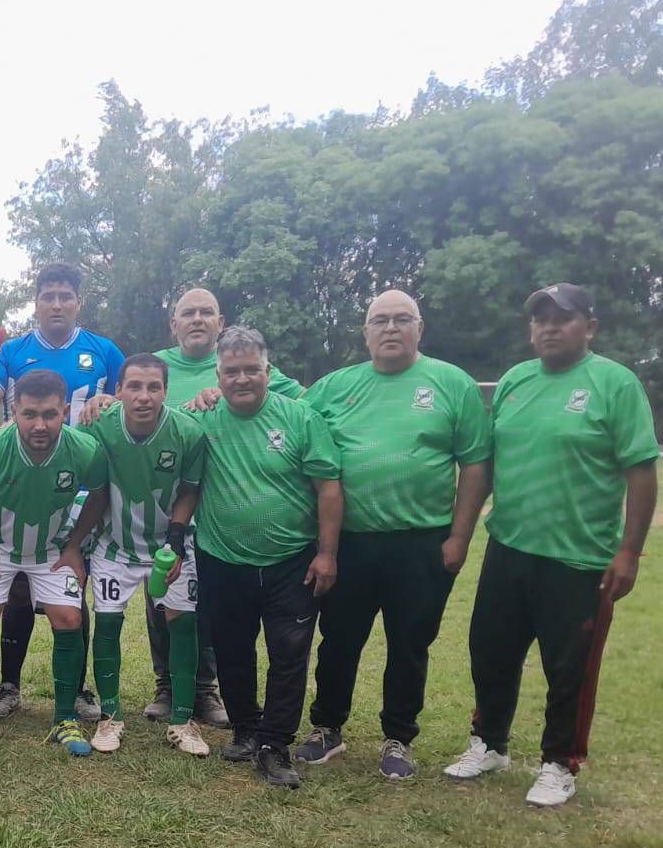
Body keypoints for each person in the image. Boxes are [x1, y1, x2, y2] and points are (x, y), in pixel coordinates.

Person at [444, 284, 658, 807]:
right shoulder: (516, 380)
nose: (549, 328)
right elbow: (488, 466)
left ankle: (560, 763)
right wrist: (463, 532)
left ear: (591, 326)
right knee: (489, 653)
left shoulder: (615, 383)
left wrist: (628, 552)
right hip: (510, 547)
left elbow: (642, 473)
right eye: (540, 319)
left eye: (562, 318)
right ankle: (490, 744)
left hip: (580, 559)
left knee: (570, 669)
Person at [294, 291, 492, 779]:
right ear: (364, 333)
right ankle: (327, 728)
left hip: (422, 541)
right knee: (339, 637)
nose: (390, 329)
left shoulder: (452, 384)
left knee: (409, 642)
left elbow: (475, 465)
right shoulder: (334, 387)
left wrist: (459, 538)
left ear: (419, 328)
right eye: (379, 321)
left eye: (402, 319)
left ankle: (399, 737)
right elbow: (288, 425)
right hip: (349, 541)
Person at [0, 262, 123, 723]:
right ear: (36, 302)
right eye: (48, 295)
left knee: (71, 588)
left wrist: (112, 400)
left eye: (65, 296)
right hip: (22, 477)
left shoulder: (104, 350)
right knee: (14, 591)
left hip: (77, 481)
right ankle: (9, 685)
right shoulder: (13, 351)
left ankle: (76, 690)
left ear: (79, 302)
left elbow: (130, 401)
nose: (57, 304)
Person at [146, 288, 304, 729]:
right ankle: (167, 686)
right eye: (187, 313)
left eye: (206, 312)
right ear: (173, 324)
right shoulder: (157, 364)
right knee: (163, 603)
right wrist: (102, 401)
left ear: (220, 322)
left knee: (209, 612)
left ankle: (206, 691)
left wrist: (234, 390)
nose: (197, 319)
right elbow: (128, 401)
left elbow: (298, 401)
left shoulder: (244, 367)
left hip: (218, 514)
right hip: (165, 509)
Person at [194, 327, 343, 788]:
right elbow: (154, 430)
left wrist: (327, 553)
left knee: (289, 652)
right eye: (231, 371)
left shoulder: (300, 418)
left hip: (290, 561)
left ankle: (275, 745)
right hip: (222, 559)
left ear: (267, 370)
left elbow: (328, 487)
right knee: (233, 649)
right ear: (217, 375)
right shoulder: (202, 417)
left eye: (251, 370)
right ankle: (243, 730)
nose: (242, 379)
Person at [0, 368, 108, 755]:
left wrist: (74, 547)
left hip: (53, 551)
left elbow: (100, 493)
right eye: (29, 414)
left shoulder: (84, 449)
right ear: (14, 410)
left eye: (50, 415)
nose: (40, 424)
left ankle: (64, 718)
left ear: (65, 411)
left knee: (70, 619)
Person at [61, 354, 209, 756]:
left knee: (182, 626)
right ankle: (111, 716)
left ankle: (182, 720)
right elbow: (90, 489)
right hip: (116, 546)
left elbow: (190, 490)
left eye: (154, 387)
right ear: (119, 390)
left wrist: (176, 541)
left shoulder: (188, 432)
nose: (144, 397)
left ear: (165, 390)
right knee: (108, 625)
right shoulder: (98, 427)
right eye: (135, 387)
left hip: (169, 547)